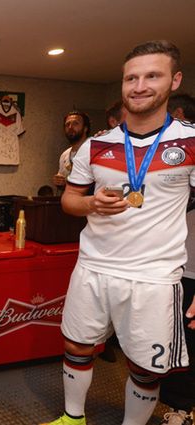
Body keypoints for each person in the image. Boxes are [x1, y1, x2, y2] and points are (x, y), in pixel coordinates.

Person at [41, 40, 194, 425]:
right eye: (131, 77)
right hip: (93, 268)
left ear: (174, 80)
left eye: (152, 76)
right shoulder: (96, 145)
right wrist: (92, 203)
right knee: (76, 344)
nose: (139, 85)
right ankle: (72, 418)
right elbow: (70, 200)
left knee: (145, 366)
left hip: (153, 277)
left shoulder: (191, 140)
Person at [159, 93, 195, 425]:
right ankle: (179, 406)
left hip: (194, 275)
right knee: (175, 340)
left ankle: (182, 409)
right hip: (172, 268)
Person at [52, 111, 91, 190]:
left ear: (85, 128)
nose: (70, 127)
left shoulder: (93, 151)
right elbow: (64, 185)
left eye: (75, 123)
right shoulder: (64, 155)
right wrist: (59, 183)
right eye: (67, 124)